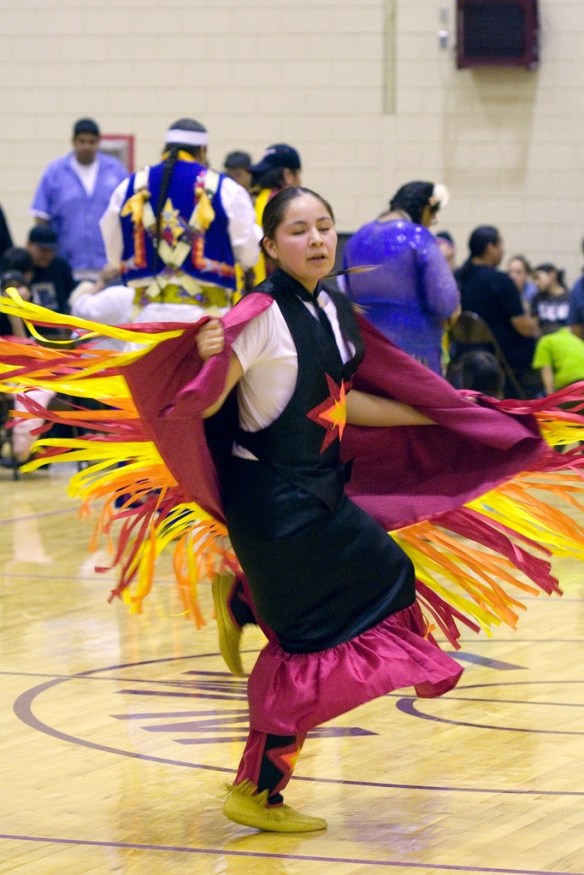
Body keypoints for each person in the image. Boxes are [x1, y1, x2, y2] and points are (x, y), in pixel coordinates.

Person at [4, 189, 584, 834]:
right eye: (299, 230)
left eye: (325, 227)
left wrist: (441, 417)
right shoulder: (257, 317)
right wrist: (204, 356)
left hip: (321, 492)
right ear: (271, 246)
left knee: (388, 577)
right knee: (305, 644)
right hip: (272, 505)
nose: (316, 240)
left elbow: (341, 401)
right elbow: (205, 400)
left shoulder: (333, 306)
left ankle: (243, 598)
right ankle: (257, 790)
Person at [99, 118, 260, 327]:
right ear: (202, 151)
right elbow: (249, 256)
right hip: (207, 323)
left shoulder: (129, 187)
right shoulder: (227, 189)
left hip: (147, 321)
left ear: (165, 149)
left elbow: (114, 256)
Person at [341, 181, 460, 375]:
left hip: (366, 356)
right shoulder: (419, 238)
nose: (431, 222)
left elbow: (346, 293)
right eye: (433, 216)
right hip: (416, 357)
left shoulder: (356, 239)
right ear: (426, 209)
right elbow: (444, 303)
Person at [30, 118, 127, 282]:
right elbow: (41, 216)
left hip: (108, 266)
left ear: (98, 143)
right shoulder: (55, 172)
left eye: (91, 142)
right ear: (73, 142)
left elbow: (129, 212)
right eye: (82, 141)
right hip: (66, 266)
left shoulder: (116, 171)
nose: (86, 146)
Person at [455, 225, 542, 398]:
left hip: (463, 354)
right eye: (500, 245)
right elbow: (522, 326)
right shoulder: (500, 280)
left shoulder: (458, 277)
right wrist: (535, 326)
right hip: (500, 357)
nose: (503, 250)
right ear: (490, 248)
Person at [248, 143, 303, 284]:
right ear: (288, 175)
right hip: (279, 289)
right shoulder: (288, 203)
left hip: (254, 287)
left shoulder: (255, 199)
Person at [26, 226, 77, 324]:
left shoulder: (61, 266)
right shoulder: (20, 264)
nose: (47, 254)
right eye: (42, 250)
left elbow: (70, 295)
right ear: (28, 245)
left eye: (51, 250)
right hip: (29, 328)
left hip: (57, 327)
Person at [532, 326, 584, 394]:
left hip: (571, 386)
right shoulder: (575, 338)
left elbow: (547, 372)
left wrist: (551, 398)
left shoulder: (545, 341)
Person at [530, 262, 570, 335]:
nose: (536, 283)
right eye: (534, 280)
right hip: (545, 342)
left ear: (552, 274)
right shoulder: (537, 299)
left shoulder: (570, 298)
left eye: (538, 278)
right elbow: (534, 326)